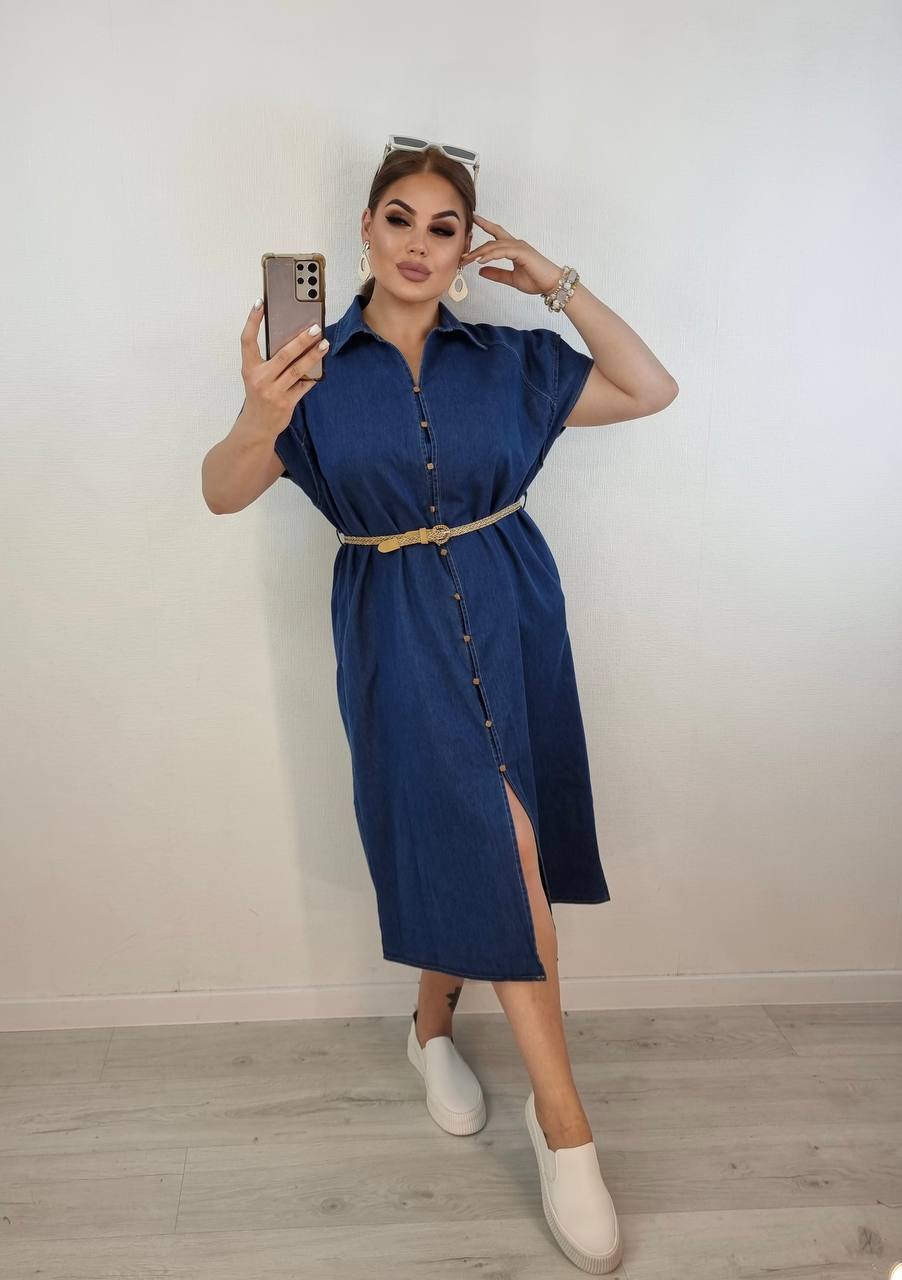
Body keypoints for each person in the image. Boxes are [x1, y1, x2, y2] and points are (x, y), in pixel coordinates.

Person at [202, 139, 678, 1274]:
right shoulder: (308, 367)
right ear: (365, 230)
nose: (419, 243)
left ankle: (428, 1030)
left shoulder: (509, 360)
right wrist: (259, 413)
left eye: (444, 226)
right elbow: (221, 491)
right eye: (399, 218)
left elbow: (648, 387)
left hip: (511, 607)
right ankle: (565, 1128)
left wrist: (557, 283)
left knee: (498, 841)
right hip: (395, 625)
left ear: (468, 249)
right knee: (498, 845)